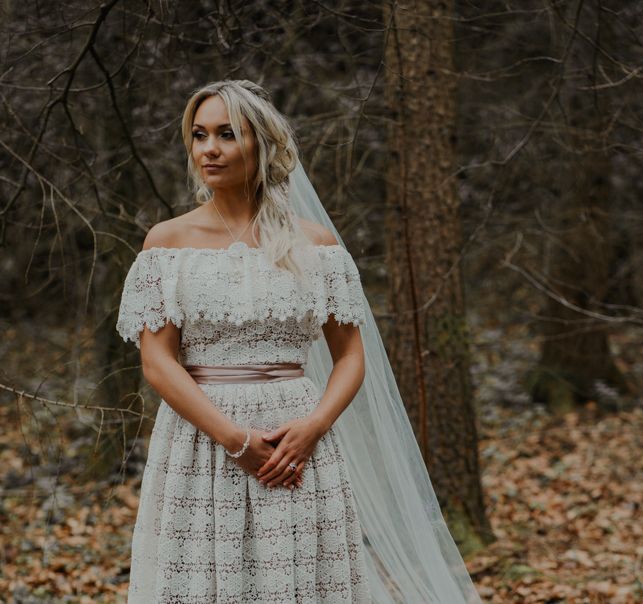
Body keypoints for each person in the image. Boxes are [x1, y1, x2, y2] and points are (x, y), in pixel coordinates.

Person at [116, 79, 482, 603]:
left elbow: (352, 355)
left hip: (298, 441)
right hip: (201, 439)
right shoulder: (167, 242)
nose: (209, 149)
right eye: (199, 135)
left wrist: (314, 426)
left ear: (261, 145)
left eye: (226, 134)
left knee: (299, 583)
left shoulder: (315, 244)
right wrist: (235, 439)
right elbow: (157, 362)